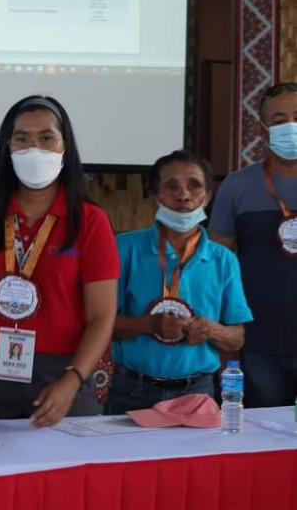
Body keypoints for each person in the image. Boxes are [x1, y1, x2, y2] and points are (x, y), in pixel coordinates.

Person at [0, 95, 119, 427]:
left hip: (63, 376)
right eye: (22, 139)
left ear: (64, 146)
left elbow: (102, 316)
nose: (34, 149)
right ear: (7, 148)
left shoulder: (89, 221)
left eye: (46, 138)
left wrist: (73, 380)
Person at [106, 151, 253, 414]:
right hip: (132, 389)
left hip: (198, 390)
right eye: (171, 186)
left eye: (194, 186)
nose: (183, 195)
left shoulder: (223, 259)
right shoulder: (125, 248)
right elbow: (101, 325)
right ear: (154, 194)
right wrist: (148, 324)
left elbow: (237, 338)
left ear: (207, 196)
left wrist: (211, 330)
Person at [209, 82, 297, 407]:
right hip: (257, 343)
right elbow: (216, 267)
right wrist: (223, 337)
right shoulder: (236, 186)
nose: (290, 126)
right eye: (279, 119)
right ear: (263, 130)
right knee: (261, 432)